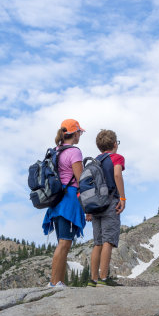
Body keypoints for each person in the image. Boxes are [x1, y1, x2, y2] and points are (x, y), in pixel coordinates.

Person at [43, 119, 86, 287]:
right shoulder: (74, 152)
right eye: (79, 132)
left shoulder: (56, 151)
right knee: (65, 243)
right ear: (74, 133)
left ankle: (58, 282)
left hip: (56, 200)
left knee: (62, 241)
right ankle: (54, 283)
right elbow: (80, 178)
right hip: (68, 201)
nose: (80, 135)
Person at [87, 129, 126, 287]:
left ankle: (93, 279)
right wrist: (122, 198)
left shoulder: (93, 162)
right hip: (110, 202)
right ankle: (104, 278)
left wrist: (88, 209)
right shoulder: (117, 157)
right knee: (108, 241)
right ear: (115, 143)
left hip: (95, 205)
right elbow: (117, 175)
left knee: (97, 242)